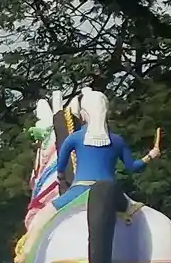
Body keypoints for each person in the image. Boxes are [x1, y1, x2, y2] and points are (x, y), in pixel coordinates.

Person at [25, 87, 160, 236]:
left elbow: (61, 167)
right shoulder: (117, 140)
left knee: (39, 221)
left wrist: (61, 176)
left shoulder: (74, 138)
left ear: (83, 114)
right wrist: (151, 155)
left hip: (79, 190)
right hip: (113, 190)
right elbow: (132, 167)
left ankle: (23, 254)